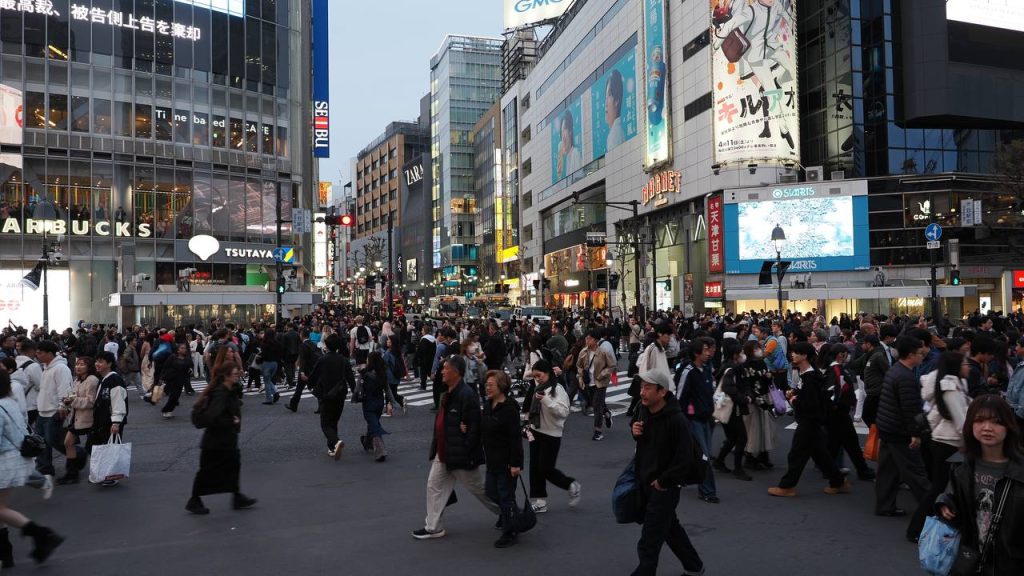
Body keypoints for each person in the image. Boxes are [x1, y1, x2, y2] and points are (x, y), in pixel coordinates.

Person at [412, 355, 499, 540]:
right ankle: (433, 527)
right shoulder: (448, 392)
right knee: (433, 486)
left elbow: (474, 427)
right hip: (444, 452)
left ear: (456, 372)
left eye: (446, 368)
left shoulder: (467, 394)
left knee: (481, 491)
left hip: (461, 455)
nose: (442, 371)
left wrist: (466, 450)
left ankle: (508, 512)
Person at [937, 395, 1024, 575]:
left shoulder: (1020, 469)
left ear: (1009, 426)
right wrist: (945, 502)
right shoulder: (961, 465)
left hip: (1010, 563)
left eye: (996, 422)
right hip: (971, 558)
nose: (987, 428)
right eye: (980, 420)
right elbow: (953, 494)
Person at [630, 368, 704, 576]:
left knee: (649, 539)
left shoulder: (676, 420)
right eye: (642, 387)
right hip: (646, 480)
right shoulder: (644, 410)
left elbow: (684, 458)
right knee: (671, 529)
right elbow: (642, 439)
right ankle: (694, 567)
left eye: (648, 388)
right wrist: (635, 432)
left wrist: (663, 481)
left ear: (662, 392)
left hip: (664, 486)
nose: (642, 392)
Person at [768, 341, 851, 497]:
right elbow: (808, 395)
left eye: (796, 352)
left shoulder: (810, 377)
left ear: (804, 356)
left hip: (809, 421)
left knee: (796, 454)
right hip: (811, 420)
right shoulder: (807, 374)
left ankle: (787, 486)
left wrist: (794, 401)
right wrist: (794, 393)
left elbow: (811, 404)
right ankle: (838, 481)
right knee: (820, 454)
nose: (792, 355)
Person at [0, 371, 64, 565]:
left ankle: (42, 535)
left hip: (5, 463)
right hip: (17, 460)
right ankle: (6, 553)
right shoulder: (8, 402)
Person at [873, 336, 932, 541]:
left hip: (887, 426)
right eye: (919, 352)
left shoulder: (894, 369)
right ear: (910, 355)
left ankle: (885, 505)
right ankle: (931, 510)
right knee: (915, 472)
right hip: (899, 430)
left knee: (888, 469)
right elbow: (910, 409)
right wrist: (915, 433)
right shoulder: (906, 377)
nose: (922, 355)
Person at [186, 363, 257, 515]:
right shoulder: (221, 393)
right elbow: (212, 417)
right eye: (235, 373)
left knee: (233, 466)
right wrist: (232, 421)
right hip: (216, 441)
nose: (238, 375)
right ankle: (194, 500)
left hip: (225, 440)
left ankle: (237, 496)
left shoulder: (229, 390)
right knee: (207, 471)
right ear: (226, 376)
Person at [525, 358, 579, 513]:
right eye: (535, 376)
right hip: (535, 431)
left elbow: (563, 413)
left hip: (552, 434)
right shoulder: (536, 387)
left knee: (546, 468)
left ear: (548, 373)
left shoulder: (558, 389)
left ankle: (570, 484)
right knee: (534, 468)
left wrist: (547, 401)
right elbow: (529, 407)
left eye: (539, 375)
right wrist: (526, 423)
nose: (537, 379)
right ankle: (540, 501)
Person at [481, 370, 523, 548]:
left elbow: (515, 438)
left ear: (501, 387)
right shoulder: (488, 405)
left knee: (505, 496)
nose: (487, 388)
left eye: (491, 385)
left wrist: (516, 464)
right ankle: (512, 514)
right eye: (486, 384)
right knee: (491, 491)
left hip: (506, 461)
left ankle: (510, 531)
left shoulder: (509, 409)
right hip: (492, 460)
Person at [821, 343, 875, 481]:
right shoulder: (837, 370)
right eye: (846, 353)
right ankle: (860, 470)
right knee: (849, 443)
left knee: (839, 444)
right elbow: (834, 392)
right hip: (839, 413)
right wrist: (838, 406)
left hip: (837, 413)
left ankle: (833, 470)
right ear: (841, 354)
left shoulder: (833, 369)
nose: (848, 356)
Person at [675, 338, 719, 504]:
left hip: (706, 417)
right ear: (696, 353)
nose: (709, 353)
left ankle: (680, 478)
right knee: (704, 455)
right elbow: (680, 397)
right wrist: (682, 419)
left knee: (697, 454)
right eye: (705, 350)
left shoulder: (706, 368)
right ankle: (708, 491)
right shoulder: (688, 371)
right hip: (693, 420)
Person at [307, 334, 354, 459]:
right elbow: (350, 378)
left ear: (326, 345)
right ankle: (332, 448)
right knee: (334, 421)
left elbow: (314, 375)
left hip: (326, 394)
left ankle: (336, 441)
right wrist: (355, 391)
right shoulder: (344, 360)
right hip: (340, 394)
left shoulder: (322, 360)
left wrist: (309, 384)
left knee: (325, 424)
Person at [712, 340, 752, 481]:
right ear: (735, 355)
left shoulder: (726, 367)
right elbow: (730, 389)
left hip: (727, 407)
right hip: (733, 408)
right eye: (740, 352)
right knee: (741, 438)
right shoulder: (733, 369)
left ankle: (719, 461)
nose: (742, 355)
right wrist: (744, 398)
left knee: (732, 438)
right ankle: (737, 468)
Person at [33, 340, 73, 478]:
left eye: (40, 353)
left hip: (54, 412)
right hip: (43, 411)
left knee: (57, 442)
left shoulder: (61, 368)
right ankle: (44, 468)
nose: (37, 355)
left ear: (50, 353)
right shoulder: (46, 367)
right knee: (42, 442)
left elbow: (65, 390)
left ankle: (78, 455)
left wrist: (63, 406)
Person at [57, 357, 98, 485]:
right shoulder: (77, 380)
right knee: (68, 442)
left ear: (89, 366)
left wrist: (73, 401)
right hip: (77, 418)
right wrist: (65, 404)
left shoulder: (92, 380)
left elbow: (91, 401)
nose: (78, 367)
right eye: (77, 364)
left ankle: (99, 471)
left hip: (89, 418)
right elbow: (73, 396)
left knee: (93, 447)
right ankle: (72, 473)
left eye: (82, 364)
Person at [91, 351, 127, 487]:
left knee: (110, 448)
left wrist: (116, 422)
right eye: (96, 361)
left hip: (111, 420)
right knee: (103, 447)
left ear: (109, 363)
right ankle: (104, 473)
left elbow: (118, 401)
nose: (97, 364)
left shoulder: (114, 379)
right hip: (102, 420)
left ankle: (111, 476)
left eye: (101, 361)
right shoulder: (104, 378)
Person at [740, 340, 776, 470]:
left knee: (765, 428)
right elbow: (748, 383)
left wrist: (768, 376)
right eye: (756, 348)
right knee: (754, 429)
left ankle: (763, 455)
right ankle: (750, 457)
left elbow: (766, 378)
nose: (759, 350)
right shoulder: (746, 364)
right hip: (754, 399)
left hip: (764, 396)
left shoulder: (761, 362)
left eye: (759, 348)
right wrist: (758, 399)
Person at [577, 329, 616, 441]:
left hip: (600, 382)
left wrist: (602, 374)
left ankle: (598, 431)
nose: (586, 340)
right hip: (588, 382)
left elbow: (612, 366)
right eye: (586, 338)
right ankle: (607, 413)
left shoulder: (603, 352)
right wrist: (580, 376)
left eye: (588, 338)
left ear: (595, 340)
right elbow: (579, 365)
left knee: (597, 406)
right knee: (596, 403)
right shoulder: (583, 352)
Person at [359, 352, 397, 462]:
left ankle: (380, 452)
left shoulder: (365, 373)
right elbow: (387, 389)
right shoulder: (382, 373)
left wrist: (356, 397)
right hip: (379, 403)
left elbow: (358, 388)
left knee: (374, 425)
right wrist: (392, 402)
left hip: (368, 402)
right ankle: (367, 441)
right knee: (374, 423)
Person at [160, 343, 193, 418]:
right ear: (178, 350)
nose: (184, 349)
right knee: (173, 396)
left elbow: (190, 366)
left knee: (176, 396)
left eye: (185, 348)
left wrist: (190, 370)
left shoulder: (187, 358)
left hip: (181, 380)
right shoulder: (172, 357)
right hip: (171, 379)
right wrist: (162, 377)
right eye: (182, 348)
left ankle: (168, 410)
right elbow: (165, 367)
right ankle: (166, 410)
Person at [258, 328, 282, 405]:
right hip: (275, 363)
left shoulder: (264, 343)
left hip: (266, 363)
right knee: (268, 380)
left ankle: (269, 398)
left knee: (267, 381)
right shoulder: (277, 343)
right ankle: (275, 393)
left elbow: (263, 355)